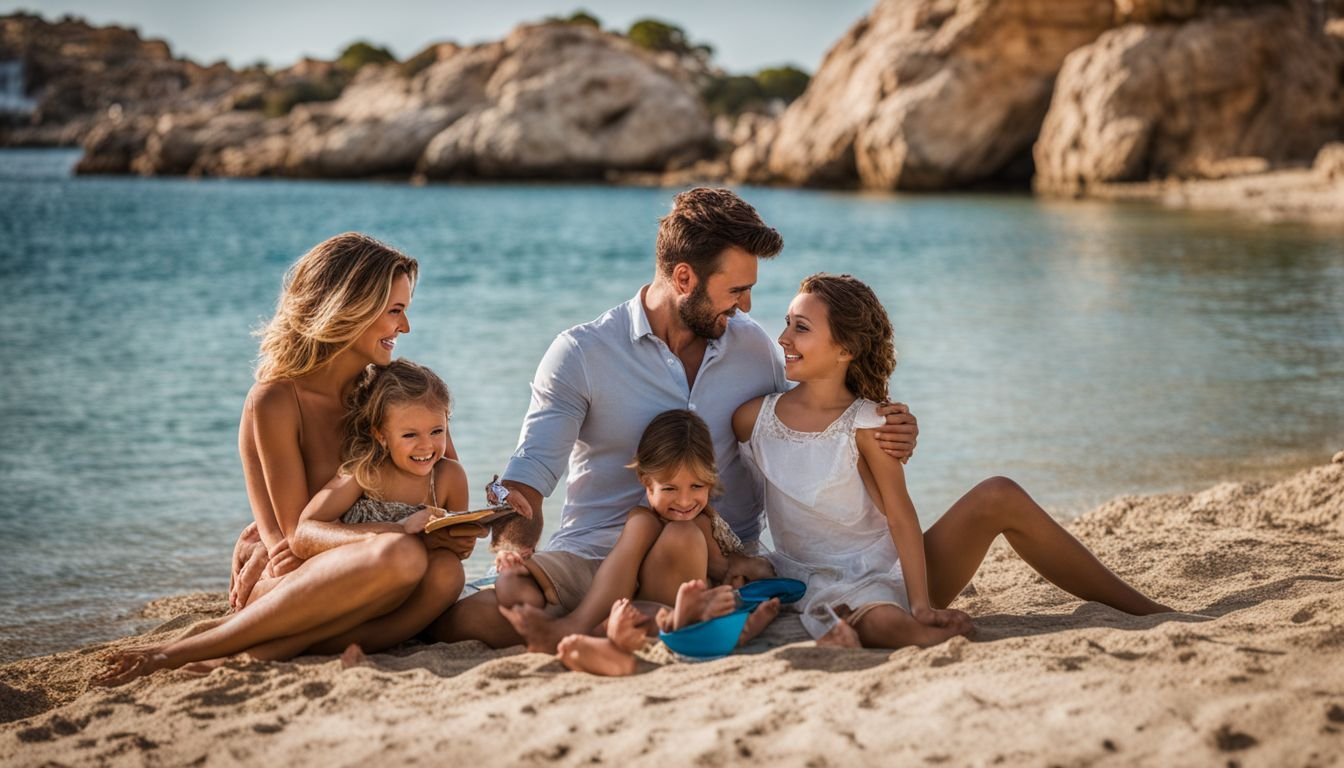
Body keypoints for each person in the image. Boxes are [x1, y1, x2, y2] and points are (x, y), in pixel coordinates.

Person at [431, 188, 920, 650]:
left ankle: (633, 623)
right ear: (684, 279)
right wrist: (510, 554)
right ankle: (632, 622)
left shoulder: (753, 349)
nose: (747, 305)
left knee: (684, 548)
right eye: (736, 290)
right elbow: (526, 481)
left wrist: (889, 421)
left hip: (711, 560)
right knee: (477, 618)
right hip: (595, 553)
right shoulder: (581, 352)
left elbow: (812, 421)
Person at [95, 234, 485, 686]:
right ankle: (186, 650)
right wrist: (271, 540)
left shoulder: (393, 396)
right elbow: (291, 550)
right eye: (395, 310)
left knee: (444, 573)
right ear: (349, 306)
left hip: (377, 577)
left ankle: (263, 649)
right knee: (401, 556)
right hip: (299, 583)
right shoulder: (277, 401)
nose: (406, 327)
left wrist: (457, 534)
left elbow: (442, 483)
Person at [732, 273, 1171, 649]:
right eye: (788, 323)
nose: (784, 337)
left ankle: (1145, 611)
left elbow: (901, 516)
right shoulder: (754, 419)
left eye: (801, 327)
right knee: (877, 622)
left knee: (999, 492)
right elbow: (716, 484)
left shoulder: (870, 423)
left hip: (884, 574)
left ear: (845, 348)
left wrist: (921, 603)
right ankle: (920, 634)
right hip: (801, 577)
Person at [494, 410, 781, 665]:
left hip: (681, 607)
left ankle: (581, 629)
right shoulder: (643, 520)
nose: (684, 501)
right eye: (669, 488)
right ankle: (580, 627)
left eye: (697, 486)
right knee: (512, 585)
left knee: (679, 534)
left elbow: (734, 567)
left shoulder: (699, 523)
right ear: (646, 482)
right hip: (645, 606)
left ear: (710, 481)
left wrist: (744, 570)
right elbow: (623, 570)